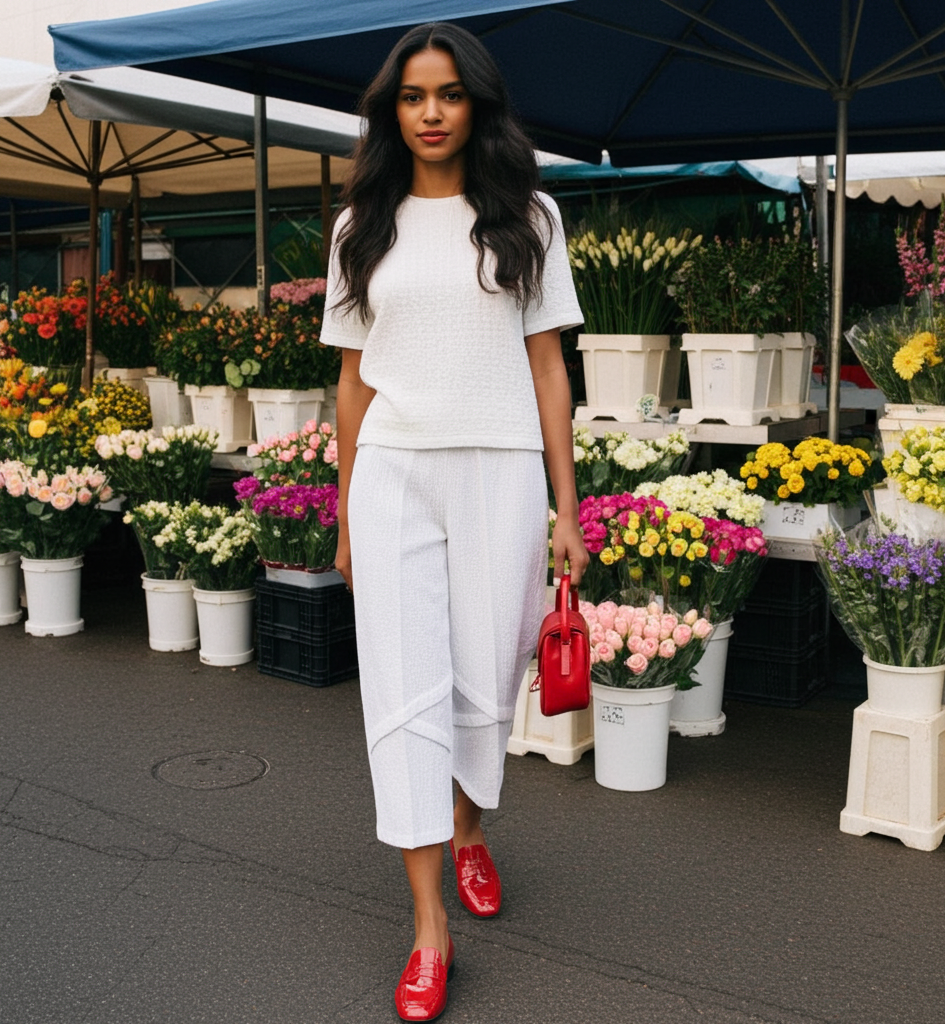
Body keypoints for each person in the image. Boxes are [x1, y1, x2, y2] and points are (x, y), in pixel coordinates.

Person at [319, 20, 589, 1023]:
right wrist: (346, 514)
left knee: (488, 679)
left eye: (447, 94)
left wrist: (569, 506)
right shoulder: (361, 227)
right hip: (392, 473)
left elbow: (549, 368)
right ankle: (428, 928)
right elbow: (350, 387)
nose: (429, 111)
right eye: (411, 96)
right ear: (393, 112)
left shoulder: (529, 216)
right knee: (402, 696)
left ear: (476, 105)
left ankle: (468, 827)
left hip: (502, 473)